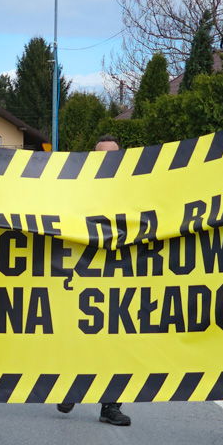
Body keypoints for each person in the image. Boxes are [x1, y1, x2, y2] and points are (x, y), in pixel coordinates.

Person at [55, 135, 131, 427]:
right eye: (101, 155)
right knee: (78, 332)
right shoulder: (76, 189)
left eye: (112, 155)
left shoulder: (132, 189)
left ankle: (110, 406)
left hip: (119, 272)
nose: (107, 161)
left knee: (116, 340)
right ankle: (72, 386)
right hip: (82, 270)